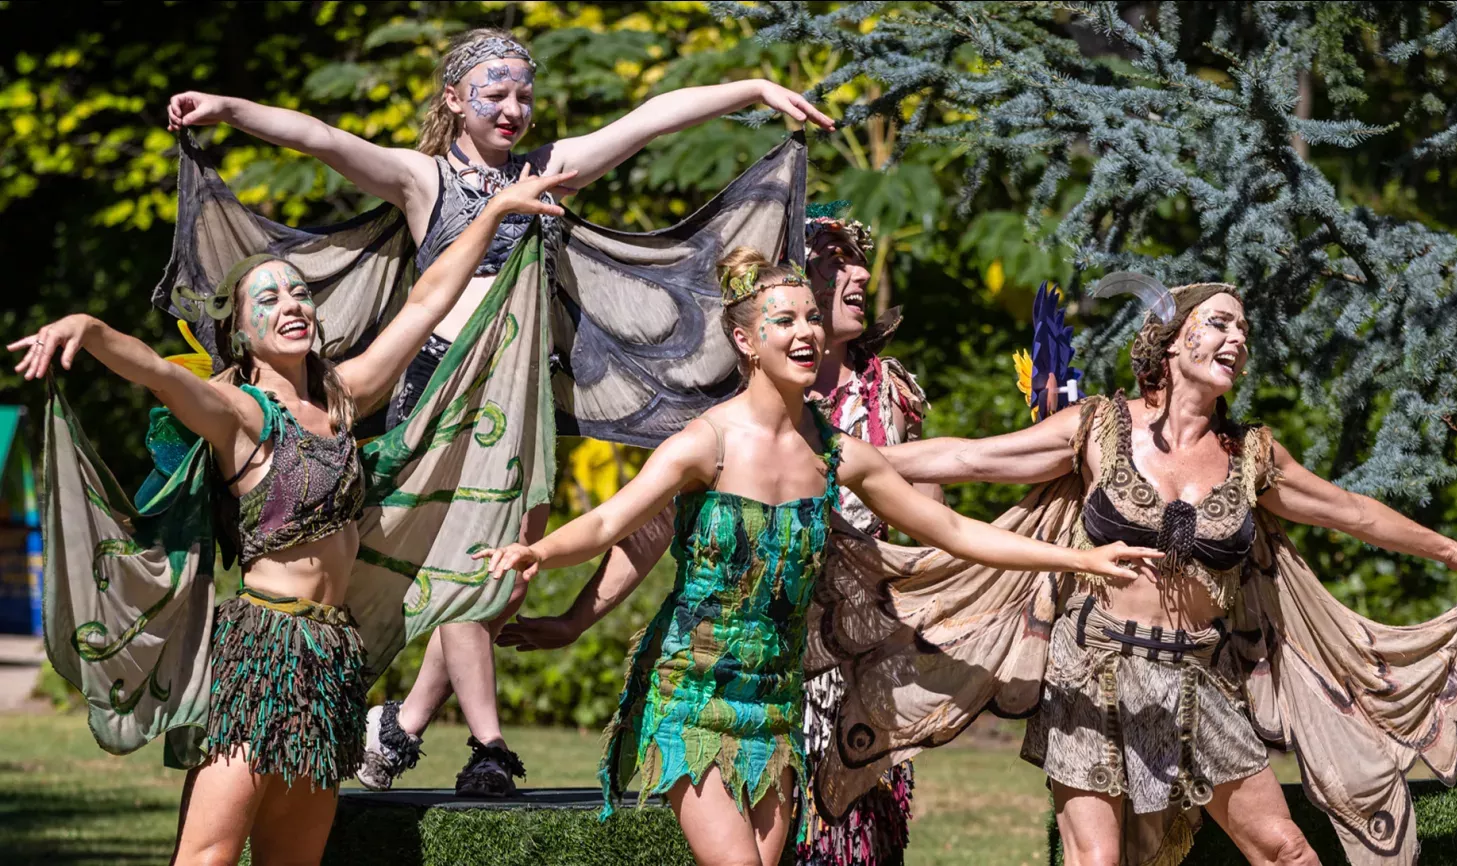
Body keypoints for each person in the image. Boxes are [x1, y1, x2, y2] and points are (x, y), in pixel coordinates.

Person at [164, 27, 834, 796]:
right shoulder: (424, 181)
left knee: (501, 577)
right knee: (462, 558)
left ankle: (403, 723)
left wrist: (749, 90)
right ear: (455, 100)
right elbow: (322, 138)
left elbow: (648, 118)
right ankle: (486, 744)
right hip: (440, 401)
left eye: (524, 94)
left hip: (522, 409)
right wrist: (228, 108)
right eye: (496, 92)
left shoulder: (546, 172)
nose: (514, 107)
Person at [472, 247, 1162, 866]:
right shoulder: (703, 444)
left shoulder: (838, 456)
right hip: (692, 694)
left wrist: (1076, 560)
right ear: (745, 340)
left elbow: (952, 530)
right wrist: (539, 550)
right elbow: (610, 520)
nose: (805, 332)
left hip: (775, 707)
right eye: (784, 321)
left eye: (810, 317)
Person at [809, 281, 1457, 866]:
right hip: (1090, 668)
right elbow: (969, 458)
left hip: (1196, 680)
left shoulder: (1251, 455)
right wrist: (826, 453)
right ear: (1174, 340)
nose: (1236, 340)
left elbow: (1352, 513)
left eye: (1243, 332)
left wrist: (1453, 552)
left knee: (1283, 849)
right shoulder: (1097, 427)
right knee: (1097, 861)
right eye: (1219, 324)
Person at [15, 173, 567, 864]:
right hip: (263, 652)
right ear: (240, 332)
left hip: (334, 656)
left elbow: (427, 302)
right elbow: (159, 371)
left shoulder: (345, 397)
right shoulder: (241, 415)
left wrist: (495, 213)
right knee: (209, 854)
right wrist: (88, 329)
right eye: (268, 299)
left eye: (300, 293)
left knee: (293, 858)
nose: (292, 305)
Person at [799, 202, 933, 865]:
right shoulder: (753, 394)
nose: (856, 272)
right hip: (777, 638)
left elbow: (927, 512)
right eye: (834, 259)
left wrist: (922, 610)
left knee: (864, 827)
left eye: (857, 259)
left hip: (870, 640)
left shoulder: (890, 392)